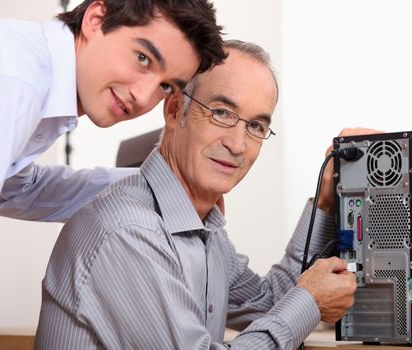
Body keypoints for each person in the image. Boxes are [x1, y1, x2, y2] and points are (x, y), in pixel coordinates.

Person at [34, 40, 367, 349]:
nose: (237, 145)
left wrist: (324, 202)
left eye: (255, 126)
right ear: (175, 109)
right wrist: (308, 302)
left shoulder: (203, 232)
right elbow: (293, 307)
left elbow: (270, 304)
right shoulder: (129, 230)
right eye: (221, 113)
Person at [0, 0, 227, 278]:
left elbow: (14, 190)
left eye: (166, 86)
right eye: (143, 58)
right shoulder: (15, 83)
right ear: (95, 20)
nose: (144, 97)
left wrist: (156, 188)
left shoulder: (33, 73)